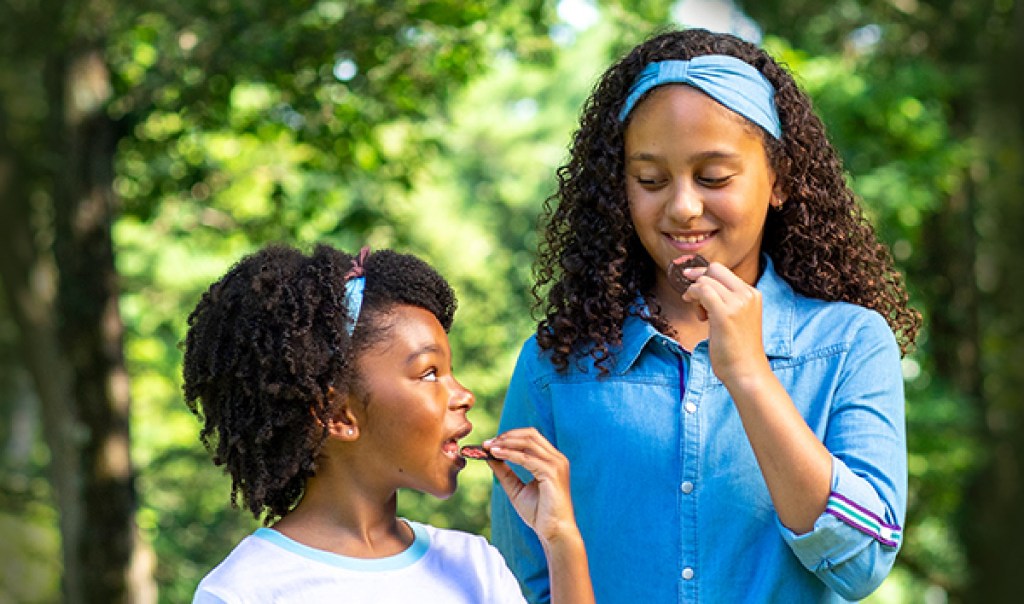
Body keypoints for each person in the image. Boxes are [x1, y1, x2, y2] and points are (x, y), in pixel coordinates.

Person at [491, 28, 921, 603]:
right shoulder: (554, 365)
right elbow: (522, 586)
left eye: (714, 177)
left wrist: (749, 375)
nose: (683, 207)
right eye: (650, 180)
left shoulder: (848, 343)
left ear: (781, 179)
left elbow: (861, 563)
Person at [182, 243, 594, 603]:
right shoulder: (244, 591)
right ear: (339, 416)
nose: (464, 395)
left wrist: (560, 538)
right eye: (429, 373)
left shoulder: (475, 565)